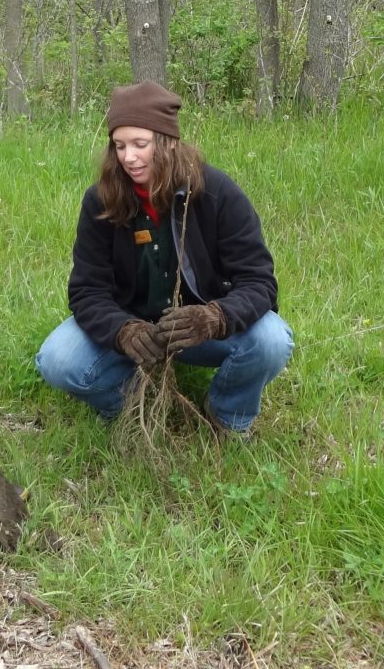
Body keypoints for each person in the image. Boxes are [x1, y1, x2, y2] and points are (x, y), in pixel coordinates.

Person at [36, 80, 293, 436]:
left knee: (273, 340)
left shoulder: (217, 192)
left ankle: (228, 419)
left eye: (140, 144)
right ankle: (133, 404)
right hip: (135, 332)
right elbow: (86, 291)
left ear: (168, 142)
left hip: (200, 332)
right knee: (57, 359)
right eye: (119, 145)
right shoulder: (101, 200)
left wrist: (215, 317)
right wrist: (123, 330)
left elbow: (259, 282)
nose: (129, 157)